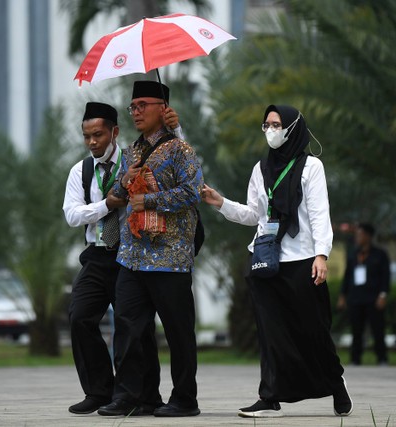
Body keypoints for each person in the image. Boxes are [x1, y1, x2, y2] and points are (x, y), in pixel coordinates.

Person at [202, 105, 353, 418]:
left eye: (276, 124)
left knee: (314, 330)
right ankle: (269, 397)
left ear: (293, 127)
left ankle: (335, 383)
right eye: (266, 124)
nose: (270, 130)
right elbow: (255, 215)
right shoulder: (261, 168)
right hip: (266, 259)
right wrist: (221, 204)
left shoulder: (311, 166)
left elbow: (319, 214)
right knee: (271, 332)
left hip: (303, 261)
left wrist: (322, 254)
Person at [62, 101, 184, 414]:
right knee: (79, 317)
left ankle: (142, 396)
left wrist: (176, 129)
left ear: (114, 132)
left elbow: (176, 167)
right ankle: (99, 391)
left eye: (98, 134)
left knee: (136, 328)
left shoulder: (135, 158)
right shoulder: (81, 170)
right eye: (87, 135)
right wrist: (108, 204)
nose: (92, 142)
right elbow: (73, 215)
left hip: (131, 254)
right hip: (97, 255)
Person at [97, 81, 203, 418]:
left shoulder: (180, 150)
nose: (137, 112)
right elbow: (116, 196)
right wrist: (124, 182)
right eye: (133, 106)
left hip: (169, 258)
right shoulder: (130, 152)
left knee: (178, 331)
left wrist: (151, 199)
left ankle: (185, 399)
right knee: (129, 327)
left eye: (143, 104)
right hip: (131, 257)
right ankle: (134, 396)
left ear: (163, 108)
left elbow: (193, 192)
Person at [338, 223, 390, 366]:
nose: (357, 238)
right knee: (356, 330)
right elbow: (347, 276)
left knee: (377, 329)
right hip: (356, 298)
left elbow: (385, 277)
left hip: (373, 298)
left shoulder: (380, 255)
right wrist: (343, 295)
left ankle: (382, 358)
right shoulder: (354, 254)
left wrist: (383, 295)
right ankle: (355, 359)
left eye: (360, 235)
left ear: (368, 236)